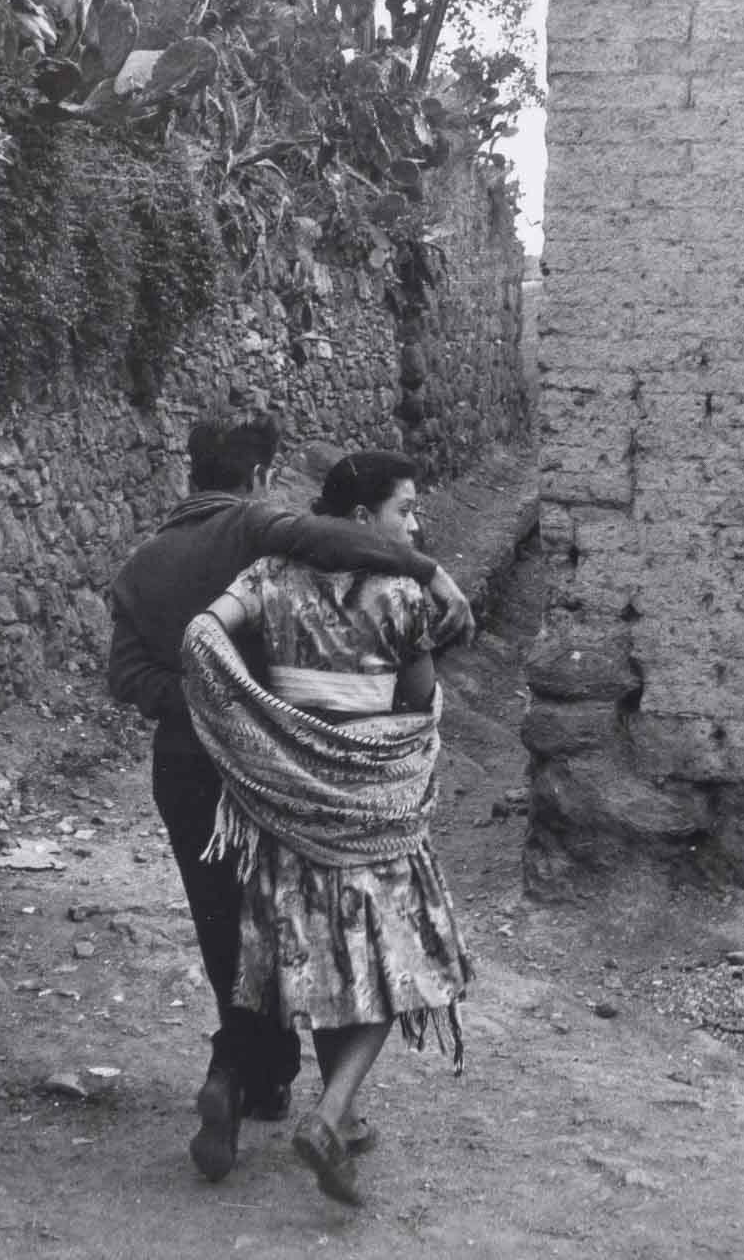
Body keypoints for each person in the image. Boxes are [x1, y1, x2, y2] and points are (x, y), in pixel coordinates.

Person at [107, 417, 473, 1183]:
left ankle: (245, 1081)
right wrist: (428, 569)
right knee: (277, 932)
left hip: (182, 768)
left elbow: (127, 679)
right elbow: (343, 545)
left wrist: (201, 698)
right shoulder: (260, 530)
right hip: (271, 766)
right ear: (260, 476)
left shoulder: (140, 565)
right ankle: (271, 1086)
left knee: (228, 934)